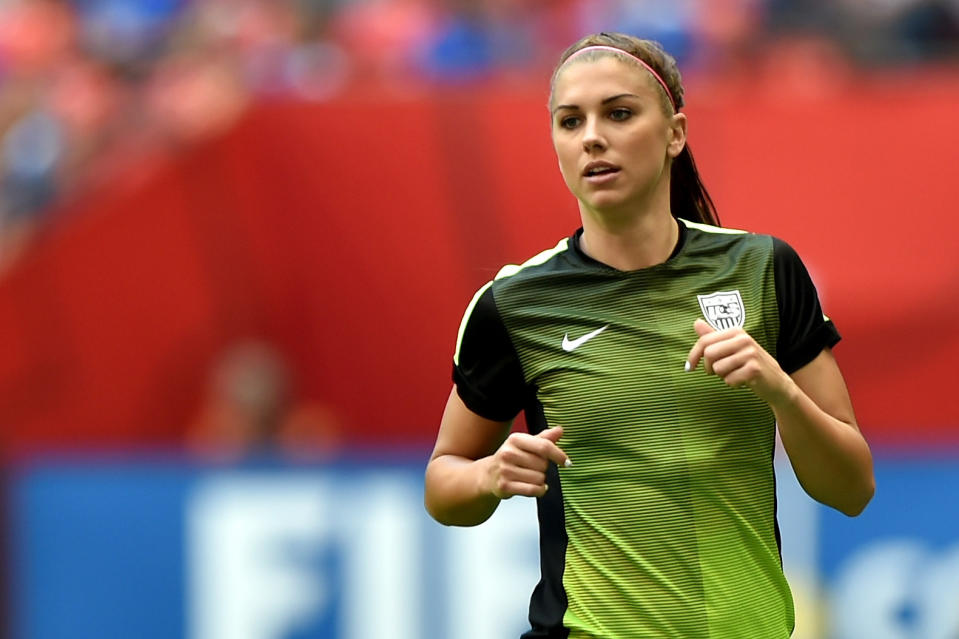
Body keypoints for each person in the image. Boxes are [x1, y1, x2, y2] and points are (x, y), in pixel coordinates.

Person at [423, 31, 875, 639]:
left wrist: (779, 392)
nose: (591, 137)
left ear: (675, 134)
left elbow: (851, 489)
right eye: (569, 121)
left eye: (619, 113)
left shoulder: (765, 270)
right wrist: (487, 476)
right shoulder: (515, 303)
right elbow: (443, 483)